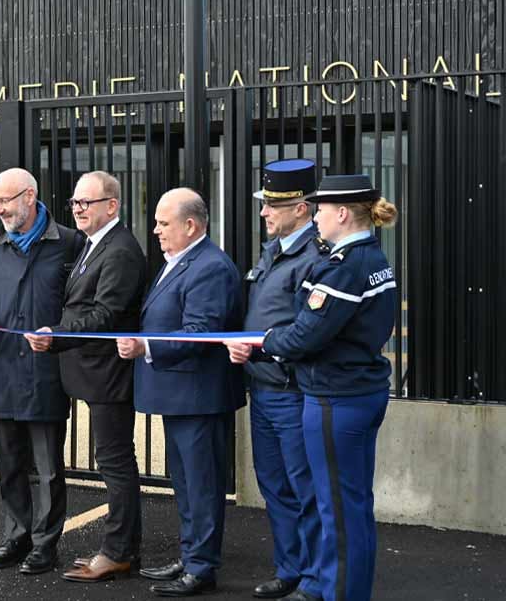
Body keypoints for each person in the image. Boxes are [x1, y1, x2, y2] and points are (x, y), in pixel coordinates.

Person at [229, 174, 399, 601]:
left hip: (336, 395)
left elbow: (306, 335)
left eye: (321, 210)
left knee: (338, 510)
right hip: (352, 391)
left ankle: (339, 592)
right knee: (347, 506)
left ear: (342, 213)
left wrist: (263, 342)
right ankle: (333, 586)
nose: (316, 218)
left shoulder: (347, 266)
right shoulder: (369, 259)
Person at [0, 168, 82, 575]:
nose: (0, 209)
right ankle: (16, 535)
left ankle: (45, 543)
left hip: (46, 368)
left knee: (46, 467)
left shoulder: (70, 243)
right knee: (10, 464)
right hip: (4, 368)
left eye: (6, 200)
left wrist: (58, 336)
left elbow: (77, 305)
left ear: (30, 196)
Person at [116, 187, 244, 597]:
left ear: (191, 225)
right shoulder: (180, 261)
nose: (155, 230)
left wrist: (146, 345)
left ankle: (202, 567)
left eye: (163, 223)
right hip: (182, 396)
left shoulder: (209, 267)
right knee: (186, 484)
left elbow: (201, 334)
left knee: (202, 485)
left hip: (200, 397)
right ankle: (191, 558)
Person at [25, 170, 148, 583]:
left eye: (86, 203)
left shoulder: (120, 250)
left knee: (115, 462)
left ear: (111, 205)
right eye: (75, 203)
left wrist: (55, 335)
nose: (77, 210)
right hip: (90, 372)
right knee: (112, 461)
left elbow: (106, 315)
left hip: (108, 374)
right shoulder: (95, 244)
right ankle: (122, 546)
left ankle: (118, 552)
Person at [238, 160, 328, 600]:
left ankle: (313, 579)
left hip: (292, 391)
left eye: (273, 206)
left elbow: (306, 331)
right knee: (275, 486)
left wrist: (262, 347)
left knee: (304, 488)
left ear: (302, 208)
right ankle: (291, 569)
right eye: (265, 205)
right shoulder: (273, 251)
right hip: (264, 387)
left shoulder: (314, 257)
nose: (264, 213)